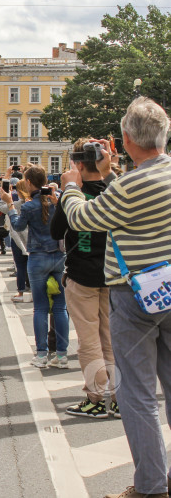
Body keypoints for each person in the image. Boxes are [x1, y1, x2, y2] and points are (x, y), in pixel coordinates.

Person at [60, 97, 171, 498]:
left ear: (125, 140)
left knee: (138, 392)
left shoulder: (128, 186)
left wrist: (71, 188)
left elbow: (82, 219)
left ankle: (150, 487)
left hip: (136, 296)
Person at [51, 138, 117, 420]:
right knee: (110, 339)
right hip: (112, 274)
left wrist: (67, 191)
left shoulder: (72, 194)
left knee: (89, 341)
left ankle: (95, 398)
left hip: (82, 275)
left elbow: (56, 232)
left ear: (77, 164)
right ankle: (117, 397)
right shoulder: (114, 189)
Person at [1, 166, 69, 369]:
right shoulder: (56, 202)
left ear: (29, 183)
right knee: (60, 307)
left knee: (40, 307)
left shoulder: (30, 206)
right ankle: (62, 355)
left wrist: (11, 206)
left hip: (38, 257)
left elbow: (19, 226)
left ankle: (41, 355)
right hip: (59, 257)